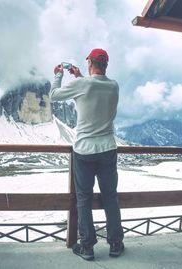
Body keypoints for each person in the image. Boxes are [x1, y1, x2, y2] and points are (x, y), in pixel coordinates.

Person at [50, 48, 124, 261]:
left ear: (90, 63)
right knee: (110, 197)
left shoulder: (82, 85)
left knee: (83, 198)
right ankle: (115, 243)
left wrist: (58, 75)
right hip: (108, 149)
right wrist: (80, 76)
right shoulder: (113, 86)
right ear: (105, 64)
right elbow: (93, 91)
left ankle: (88, 246)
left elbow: (55, 96)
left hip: (84, 150)